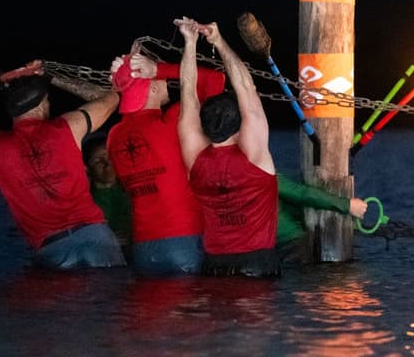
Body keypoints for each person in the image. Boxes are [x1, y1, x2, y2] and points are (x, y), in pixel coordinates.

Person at [0, 61, 126, 270]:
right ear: (41, 104)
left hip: (52, 249)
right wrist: (51, 77)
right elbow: (110, 98)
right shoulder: (69, 126)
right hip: (95, 236)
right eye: (47, 100)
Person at [176, 17, 281, 277]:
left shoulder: (195, 158)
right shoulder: (254, 156)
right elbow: (246, 88)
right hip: (257, 265)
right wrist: (219, 41)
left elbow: (187, 90)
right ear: (240, 122)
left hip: (214, 267)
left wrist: (189, 43)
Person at [106, 50, 226, 275]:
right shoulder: (172, 120)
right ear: (151, 88)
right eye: (160, 81)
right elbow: (215, 80)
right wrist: (160, 69)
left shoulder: (114, 135)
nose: (166, 84)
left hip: (142, 248)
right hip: (184, 241)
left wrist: (123, 72)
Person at [276, 174, 368, 262]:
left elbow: (302, 196)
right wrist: (348, 205)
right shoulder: (270, 178)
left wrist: (348, 205)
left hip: (290, 246)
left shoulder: (269, 179)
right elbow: (302, 195)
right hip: (285, 246)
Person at [82, 136, 132, 252]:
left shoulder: (132, 191)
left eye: (110, 156)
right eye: (98, 160)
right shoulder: (85, 200)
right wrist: (107, 239)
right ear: (87, 168)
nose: (107, 163)